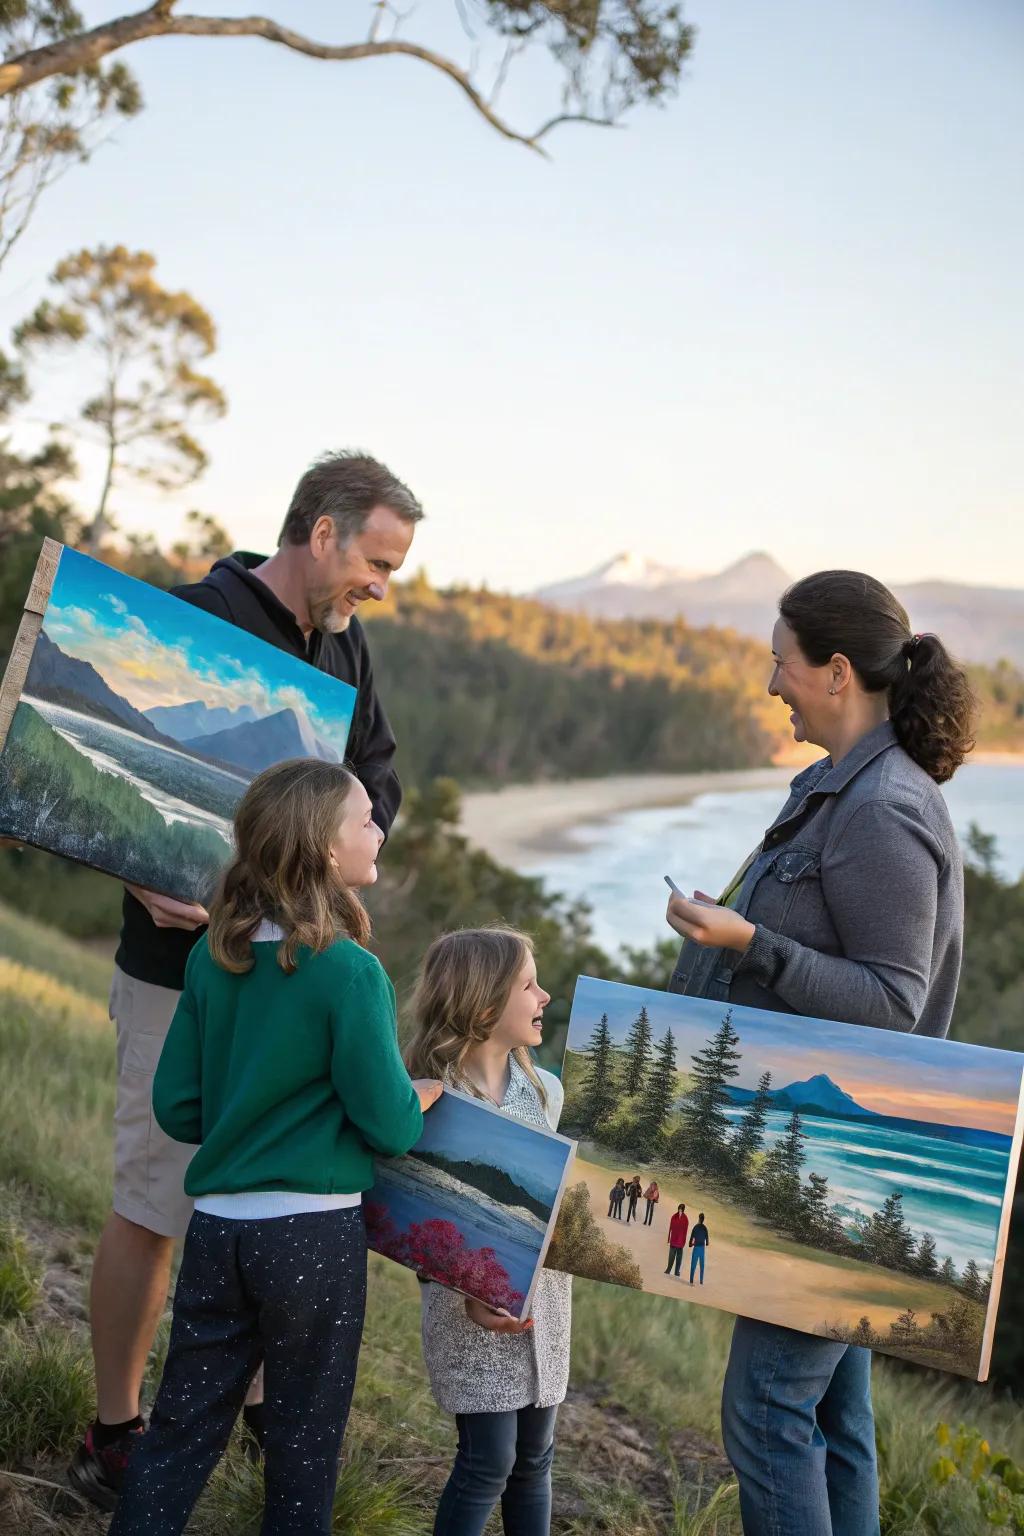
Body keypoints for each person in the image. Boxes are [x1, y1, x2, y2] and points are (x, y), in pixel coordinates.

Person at [71, 451, 424, 1507]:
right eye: (376, 559)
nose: (381, 585)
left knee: (272, 1197)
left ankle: (263, 1413)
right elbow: (78, 770)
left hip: (295, 982)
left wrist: (314, 888)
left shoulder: (347, 653)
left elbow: (375, 789)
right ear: (321, 530)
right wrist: (138, 873)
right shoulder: (191, 617)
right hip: (182, 973)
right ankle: (119, 1429)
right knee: (154, 1197)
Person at [665, 570, 974, 1536]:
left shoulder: (883, 807)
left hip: (836, 1170)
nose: (770, 683)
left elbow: (891, 1003)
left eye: (780, 662)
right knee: (835, 1421)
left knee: (765, 1413)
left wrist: (749, 943)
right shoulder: (844, 789)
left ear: (836, 671)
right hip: (818, 1162)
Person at [107, 759, 441, 1535]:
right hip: (312, 1238)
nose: (378, 828)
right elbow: (390, 1125)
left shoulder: (212, 957)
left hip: (217, 1230)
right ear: (326, 849)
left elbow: (178, 1107)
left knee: (180, 1434)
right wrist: (422, 1094)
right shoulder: (351, 974)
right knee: (302, 1449)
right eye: (364, 818)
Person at [405, 927, 573, 1536]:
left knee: (535, 1460)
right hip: (465, 1320)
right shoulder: (430, 1098)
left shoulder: (546, 1093)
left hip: (544, 1314)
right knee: (488, 1462)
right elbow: (410, 1220)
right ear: (482, 1006)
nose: (545, 996)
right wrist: (465, 1290)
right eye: (529, 984)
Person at [664, 1203, 688, 1277]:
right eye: (679, 1209)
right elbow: (670, 1228)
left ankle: (677, 1271)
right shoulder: (674, 1217)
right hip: (674, 1240)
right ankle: (668, 1269)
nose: (680, 1211)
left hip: (680, 1242)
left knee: (679, 1258)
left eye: (681, 1210)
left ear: (683, 1210)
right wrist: (669, 1239)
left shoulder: (685, 1219)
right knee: (671, 1256)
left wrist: (684, 1242)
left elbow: (685, 1231)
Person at [688, 1214, 709, 1285]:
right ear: (703, 1219)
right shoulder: (705, 1228)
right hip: (702, 1248)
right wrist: (706, 1243)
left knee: (693, 1264)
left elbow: (692, 1237)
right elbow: (707, 1241)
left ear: (699, 1219)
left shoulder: (696, 1227)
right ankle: (701, 1281)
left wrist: (690, 1244)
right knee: (702, 1265)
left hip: (696, 1247)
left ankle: (691, 1281)